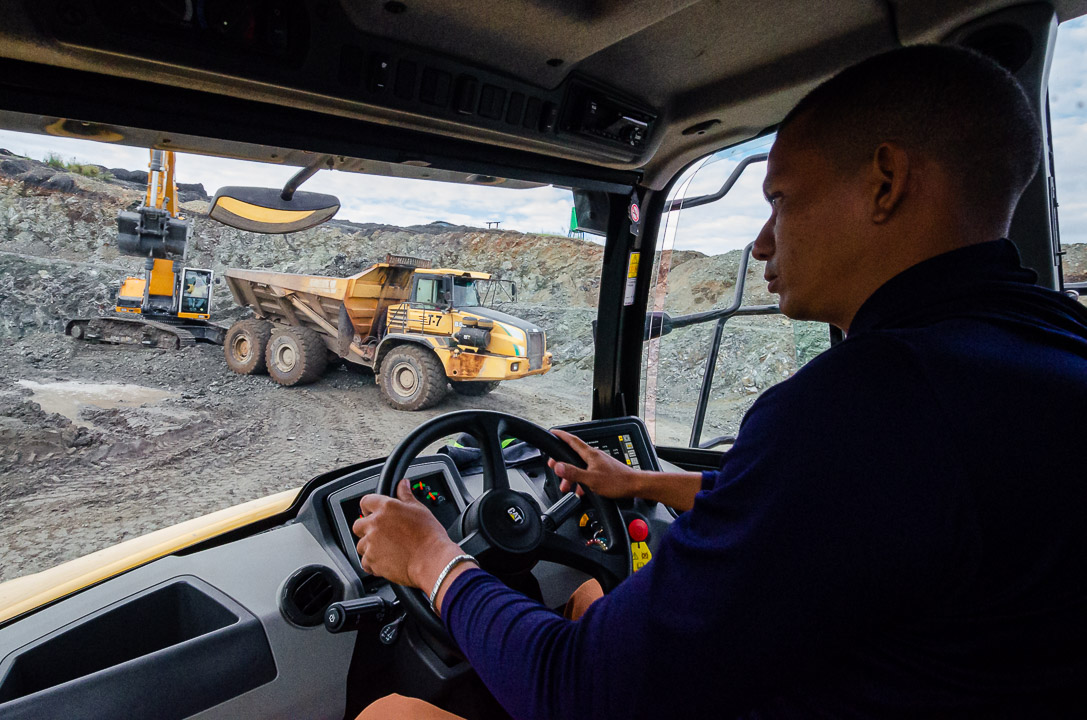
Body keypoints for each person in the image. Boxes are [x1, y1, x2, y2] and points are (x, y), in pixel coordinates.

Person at [352, 44, 1087, 719]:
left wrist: (430, 558)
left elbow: (576, 693)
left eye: (779, 201)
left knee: (392, 713)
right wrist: (640, 485)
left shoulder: (874, 398)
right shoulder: (1046, 351)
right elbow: (841, 513)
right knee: (584, 594)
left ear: (885, 183)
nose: (761, 242)